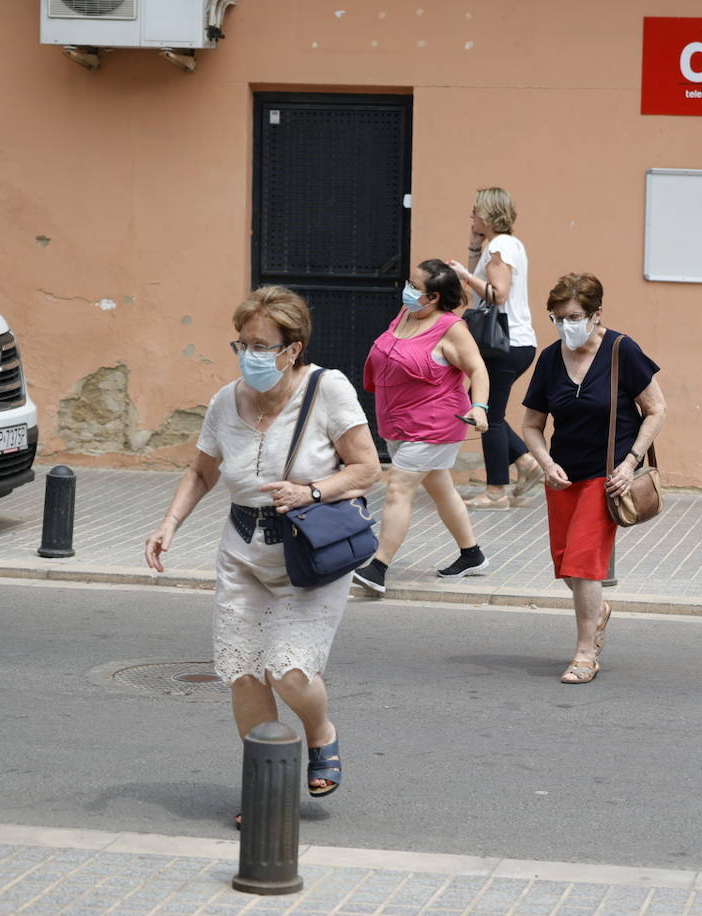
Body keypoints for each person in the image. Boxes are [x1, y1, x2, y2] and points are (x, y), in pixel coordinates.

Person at [143, 286, 381, 822]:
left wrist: (311, 490)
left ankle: (320, 730)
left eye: (261, 344)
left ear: (292, 349)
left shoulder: (327, 390)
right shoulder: (226, 401)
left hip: (307, 554)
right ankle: (266, 792)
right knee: (244, 674)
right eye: (242, 343)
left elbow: (367, 469)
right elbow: (202, 470)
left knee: (289, 673)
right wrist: (168, 524)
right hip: (242, 551)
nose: (249, 354)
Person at [520, 273, 666, 683]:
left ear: (596, 313)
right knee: (568, 567)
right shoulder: (550, 358)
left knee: (584, 567)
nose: (566, 325)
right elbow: (531, 423)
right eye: (557, 318)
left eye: (573, 317)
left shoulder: (622, 350)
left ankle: (585, 653)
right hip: (563, 477)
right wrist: (546, 464)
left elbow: (656, 409)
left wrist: (630, 462)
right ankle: (597, 610)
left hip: (606, 479)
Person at [352, 259, 492, 595]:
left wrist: (480, 407)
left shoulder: (450, 327)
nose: (408, 290)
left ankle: (378, 567)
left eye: (416, 287)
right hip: (399, 422)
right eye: (409, 282)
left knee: (399, 488)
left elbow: (478, 369)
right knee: (441, 488)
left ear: (434, 298)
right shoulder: (405, 314)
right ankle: (472, 555)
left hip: (436, 423)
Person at [445, 187, 544, 510]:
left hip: (505, 343)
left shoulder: (501, 245)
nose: (471, 216)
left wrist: (462, 274)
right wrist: (474, 249)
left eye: (475, 211)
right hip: (513, 343)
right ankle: (525, 464)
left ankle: (496, 490)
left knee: (487, 413)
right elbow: (482, 286)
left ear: (488, 213)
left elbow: (497, 294)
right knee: (489, 409)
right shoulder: (503, 245)